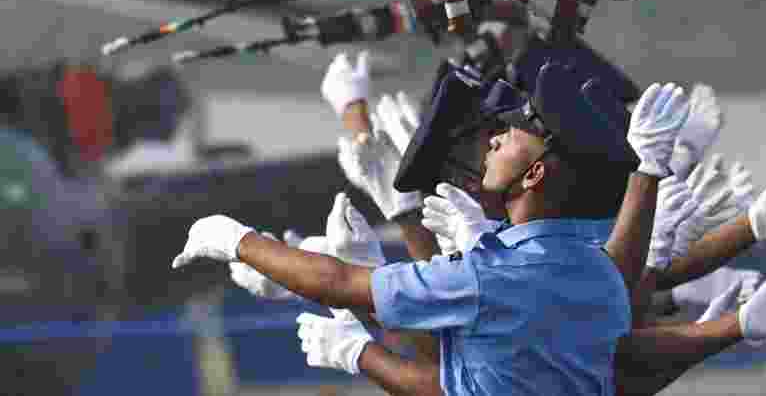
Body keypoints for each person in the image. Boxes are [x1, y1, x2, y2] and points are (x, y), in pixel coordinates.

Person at [170, 63, 704, 396]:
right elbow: (619, 271)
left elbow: (333, 282)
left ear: (536, 173)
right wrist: (647, 171)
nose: (495, 140)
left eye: (516, 134)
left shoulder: (491, 277)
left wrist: (234, 239)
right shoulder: (594, 270)